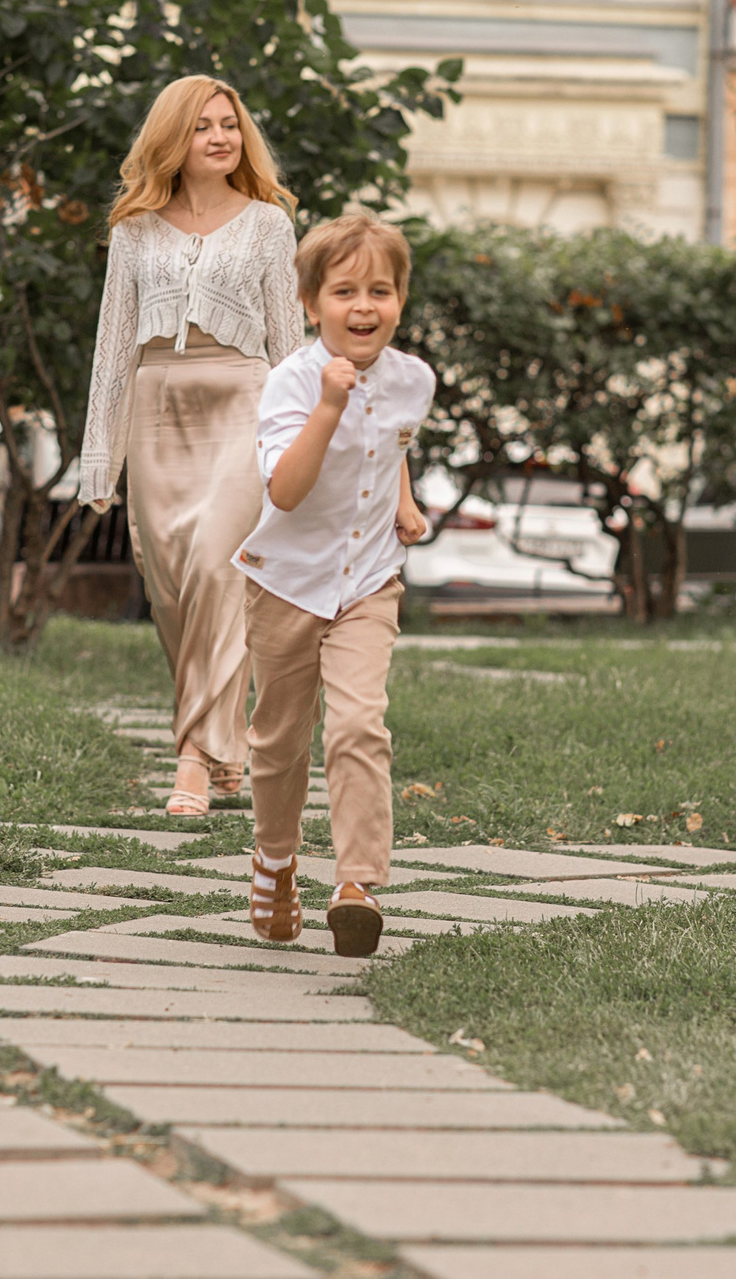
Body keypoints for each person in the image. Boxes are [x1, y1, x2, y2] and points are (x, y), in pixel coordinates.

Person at [81, 76, 303, 816]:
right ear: (173, 138)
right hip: (156, 409)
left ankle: (193, 759)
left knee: (216, 563)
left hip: (243, 399)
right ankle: (228, 740)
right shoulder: (134, 231)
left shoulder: (269, 225)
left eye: (230, 125)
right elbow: (112, 351)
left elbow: (289, 344)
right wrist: (99, 459)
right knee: (172, 587)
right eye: (203, 125)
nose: (220, 137)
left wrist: (297, 450)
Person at [235, 212, 433, 958]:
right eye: (344, 290)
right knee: (279, 741)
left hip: (369, 580)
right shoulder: (289, 383)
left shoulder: (415, 379)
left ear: (400, 300)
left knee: (358, 724)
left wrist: (404, 501)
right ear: (312, 302)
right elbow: (285, 490)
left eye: (379, 290)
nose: (363, 306)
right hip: (286, 581)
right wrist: (329, 404)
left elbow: (392, 443)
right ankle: (276, 861)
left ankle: (357, 883)